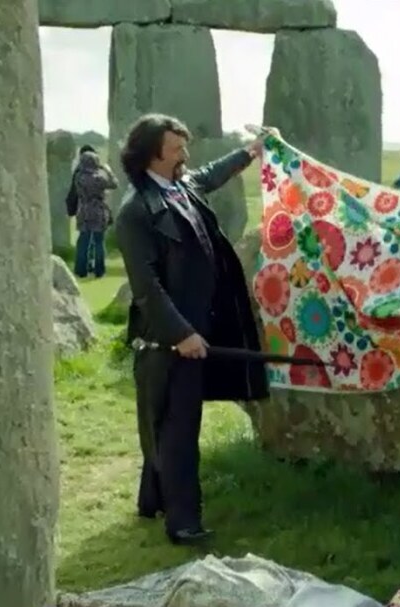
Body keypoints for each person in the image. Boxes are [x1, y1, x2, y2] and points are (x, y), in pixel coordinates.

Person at [114, 113, 271, 545]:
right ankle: (183, 522)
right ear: (152, 155)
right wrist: (180, 334)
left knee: (165, 421)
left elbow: (210, 174)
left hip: (198, 327)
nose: (185, 154)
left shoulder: (179, 185)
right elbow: (147, 287)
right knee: (178, 429)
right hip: (167, 340)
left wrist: (250, 153)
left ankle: (152, 500)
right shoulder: (135, 212)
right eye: (176, 148)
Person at [71, 147, 118, 278]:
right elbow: (114, 184)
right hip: (98, 210)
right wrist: (108, 171)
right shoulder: (99, 178)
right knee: (98, 241)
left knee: (83, 241)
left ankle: (81, 270)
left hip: (83, 209)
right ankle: (99, 270)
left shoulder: (78, 177)